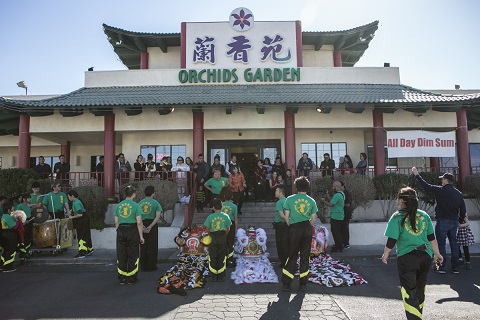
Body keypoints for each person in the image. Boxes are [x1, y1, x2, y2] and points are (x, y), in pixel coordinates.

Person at [382, 187, 443, 320]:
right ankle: (418, 315)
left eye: (398, 198)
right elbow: (432, 238)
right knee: (420, 290)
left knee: (409, 292)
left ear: (402, 200)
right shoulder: (424, 215)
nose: (397, 201)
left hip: (407, 258)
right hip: (426, 256)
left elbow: (392, 239)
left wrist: (386, 254)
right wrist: (437, 254)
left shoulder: (397, 217)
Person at [412, 167, 465, 274]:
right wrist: (459, 220)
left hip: (442, 221)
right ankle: (455, 267)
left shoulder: (440, 190)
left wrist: (417, 175)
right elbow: (463, 210)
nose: (441, 181)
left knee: (441, 244)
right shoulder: (458, 193)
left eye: (442, 179)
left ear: (446, 180)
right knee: (454, 244)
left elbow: (426, 186)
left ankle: (441, 266)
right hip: (454, 221)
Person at [282, 176, 318, 292]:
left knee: (292, 255)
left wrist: (291, 226)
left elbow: (286, 217)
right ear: (307, 187)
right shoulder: (311, 201)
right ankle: (303, 284)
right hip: (307, 228)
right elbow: (313, 219)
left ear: (296, 186)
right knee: (305, 256)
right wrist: (308, 226)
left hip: (294, 228)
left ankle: (287, 283)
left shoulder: (289, 199)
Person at [113, 185, 145, 285]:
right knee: (133, 254)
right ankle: (131, 278)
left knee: (121, 254)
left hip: (121, 230)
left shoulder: (118, 205)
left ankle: (122, 278)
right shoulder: (136, 206)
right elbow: (139, 222)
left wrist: (118, 230)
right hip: (132, 230)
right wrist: (141, 236)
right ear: (133, 194)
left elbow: (116, 221)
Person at [204, 198, 231, 282]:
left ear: (213, 207)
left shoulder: (210, 217)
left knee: (213, 256)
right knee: (222, 256)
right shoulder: (226, 216)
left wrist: (211, 235)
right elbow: (228, 228)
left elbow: (207, 229)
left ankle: (214, 276)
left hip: (213, 237)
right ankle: (220, 276)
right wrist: (223, 235)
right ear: (222, 207)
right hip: (222, 236)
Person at [138, 186, 162, 271]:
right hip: (152, 224)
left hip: (142, 224)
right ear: (153, 193)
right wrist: (150, 226)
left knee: (143, 245)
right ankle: (152, 266)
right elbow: (157, 216)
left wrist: (143, 226)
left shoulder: (140, 203)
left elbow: (138, 216)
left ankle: (143, 265)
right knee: (153, 246)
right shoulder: (156, 203)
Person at [67, 190, 93, 259]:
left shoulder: (76, 203)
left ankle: (82, 252)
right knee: (86, 234)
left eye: (69, 197)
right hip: (85, 219)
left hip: (82, 220)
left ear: (72, 196)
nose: (68, 198)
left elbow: (80, 214)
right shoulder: (76, 200)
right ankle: (89, 249)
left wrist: (72, 217)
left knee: (81, 236)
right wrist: (71, 210)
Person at [319, 181, 345, 252]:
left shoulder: (337, 195)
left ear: (337, 187)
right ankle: (338, 245)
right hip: (339, 215)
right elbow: (332, 200)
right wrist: (327, 194)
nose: (333, 188)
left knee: (336, 232)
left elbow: (331, 204)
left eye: (333, 187)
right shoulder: (341, 194)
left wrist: (323, 201)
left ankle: (338, 247)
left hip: (336, 216)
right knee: (337, 232)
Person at [1, 201, 19, 272]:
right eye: (12, 207)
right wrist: (18, 221)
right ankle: (8, 267)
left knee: (5, 250)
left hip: (4, 234)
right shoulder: (8, 217)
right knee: (11, 250)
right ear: (9, 209)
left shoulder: (4, 216)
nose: (13, 208)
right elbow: (14, 227)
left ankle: (2, 264)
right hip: (9, 235)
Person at [221, 189, 238, 267]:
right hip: (231, 224)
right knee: (230, 243)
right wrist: (236, 228)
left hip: (222, 224)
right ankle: (230, 259)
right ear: (232, 197)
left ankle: (223, 260)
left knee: (223, 242)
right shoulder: (234, 206)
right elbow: (235, 218)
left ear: (224, 197)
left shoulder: (221, 204)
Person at [273, 186, 288, 268]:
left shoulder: (279, 202)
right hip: (287, 225)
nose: (275, 192)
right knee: (286, 243)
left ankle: (283, 262)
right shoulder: (288, 201)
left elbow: (282, 215)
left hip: (280, 225)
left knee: (280, 244)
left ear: (281, 192)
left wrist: (286, 219)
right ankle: (287, 261)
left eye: (276, 191)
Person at [16, 193, 33, 259]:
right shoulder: (20, 206)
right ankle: (23, 254)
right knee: (24, 238)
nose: (29, 199)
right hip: (24, 223)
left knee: (29, 238)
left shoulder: (27, 206)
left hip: (29, 221)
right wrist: (23, 222)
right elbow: (17, 215)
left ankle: (27, 252)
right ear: (24, 199)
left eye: (29, 198)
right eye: (28, 198)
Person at [340, 181, 352, 249]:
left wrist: (340, 204)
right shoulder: (341, 193)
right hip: (342, 212)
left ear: (342, 186)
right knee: (342, 228)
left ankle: (346, 243)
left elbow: (348, 204)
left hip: (346, 212)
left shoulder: (346, 193)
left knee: (345, 228)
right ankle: (342, 242)